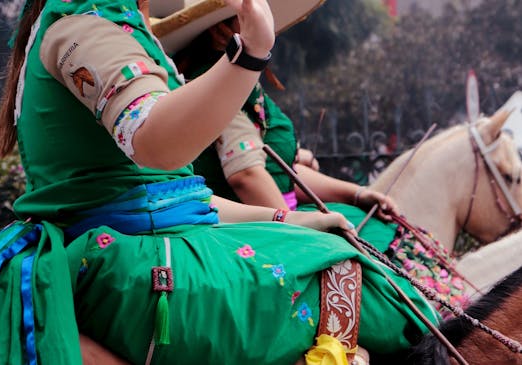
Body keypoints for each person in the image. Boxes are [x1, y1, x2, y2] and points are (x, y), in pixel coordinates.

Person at [0, 0, 439, 364]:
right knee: (349, 282)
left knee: (344, 259)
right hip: (124, 263)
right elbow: (157, 144)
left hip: (142, 242)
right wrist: (250, 56)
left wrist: (293, 220)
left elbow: (175, 197)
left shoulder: (113, 26)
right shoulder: (88, 23)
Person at [175, 16, 470, 312]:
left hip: (279, 218)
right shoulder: (216, 81)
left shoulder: (240, 79)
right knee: (388, 285)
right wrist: (302, 232)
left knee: (393, 241)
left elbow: (282, 170)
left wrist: (357, 193)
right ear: (220, 28)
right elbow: (247, 175)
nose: (267, 19)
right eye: (249, 13)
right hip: (256, 234)